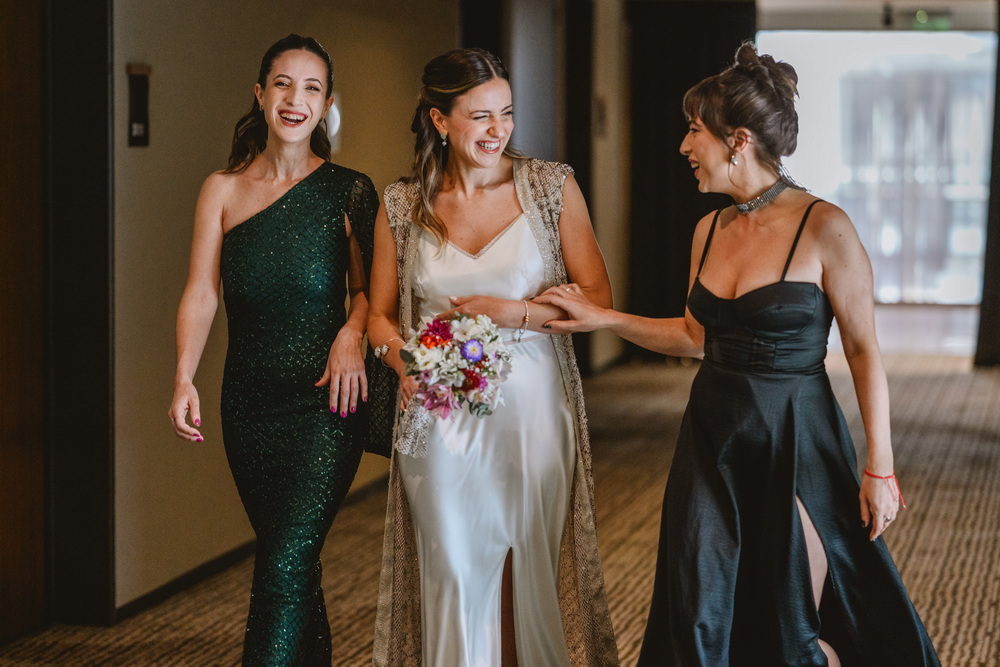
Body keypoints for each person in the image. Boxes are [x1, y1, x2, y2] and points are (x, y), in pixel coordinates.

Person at [535, 43, 940, 666]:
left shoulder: (826, 227)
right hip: (711, 437)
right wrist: (602, 318)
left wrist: (879, 468)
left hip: (795, 438)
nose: (682, 147)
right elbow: (694, 338)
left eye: (693, 131)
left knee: (794, 623)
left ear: (737, 140)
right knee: (698, 606)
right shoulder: (709, 230)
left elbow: (863, 351)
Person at [367, 48, 619, 666]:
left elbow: (597, 301)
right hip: (438, 414)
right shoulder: (402, 205)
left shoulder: (550, 188)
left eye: (505, 113)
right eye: (479, 116)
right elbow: (378, 313)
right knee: (452, 564)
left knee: (526, 561)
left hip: (533, 410)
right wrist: (405, 361)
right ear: (439, 120)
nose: (497, 130)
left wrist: (517, 314)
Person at [168, 34, 389, 664]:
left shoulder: (351, 190)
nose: (295, 99)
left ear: (325, 105)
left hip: (326, 403)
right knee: (291, 561)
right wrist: (184, 377)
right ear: (261, 94)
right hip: (249, 404)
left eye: (312, 87)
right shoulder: (221, 189)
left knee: (282, 567)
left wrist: (351, 333)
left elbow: (376, 295)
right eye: (283, 84)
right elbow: (200, 294)